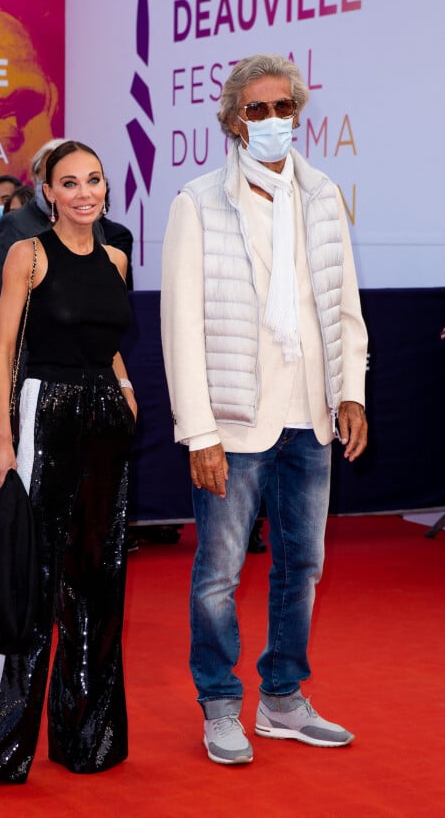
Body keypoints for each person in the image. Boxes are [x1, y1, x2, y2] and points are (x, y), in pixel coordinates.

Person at [160, 54, 368, 765]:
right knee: (219, 572)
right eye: (259, 109)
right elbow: (181, 325)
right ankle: (220, 704)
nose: (275, 121)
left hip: (310, 416)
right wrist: (199, 429)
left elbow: (343, 305)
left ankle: (282, 698)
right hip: (235, 420)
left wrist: (352, 391)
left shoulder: (323, 193)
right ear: (232, 120)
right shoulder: (197, 202)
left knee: (302, 566)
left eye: (285, 108)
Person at [0, 140, 137, 784]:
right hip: (42, 417)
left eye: (96, 180)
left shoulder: (116, 257)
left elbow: (105, 341)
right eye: (71, 183)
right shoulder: (27, 255)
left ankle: (89, 736)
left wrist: (126, 387)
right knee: (29, 580)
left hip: (106, 423)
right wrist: (2, 437)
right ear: (48, 193)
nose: (86, 192)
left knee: (98, 574)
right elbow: (3, 351)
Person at [0, 140, 135, 304]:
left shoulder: (92, 225)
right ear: (38, 180)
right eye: (67, 183)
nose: (82, 192)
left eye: (92, 180)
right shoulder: (15, 223)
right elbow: (1, 291)